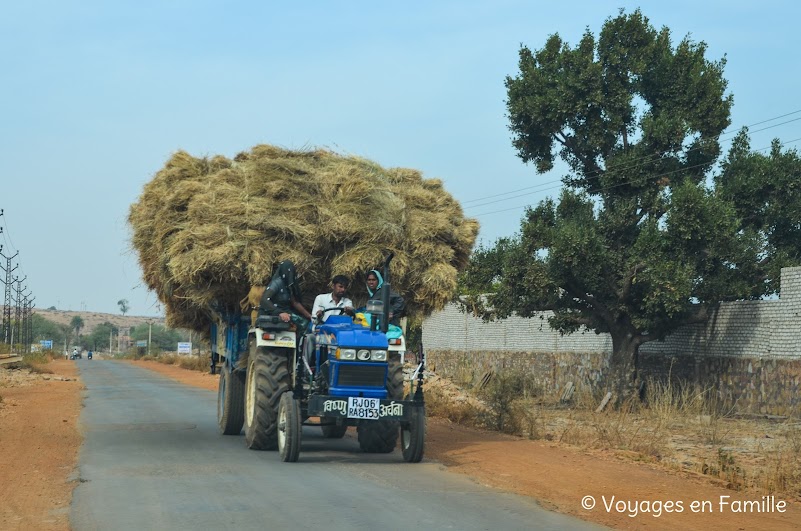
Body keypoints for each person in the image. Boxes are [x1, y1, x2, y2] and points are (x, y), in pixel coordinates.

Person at [259, 260, 313, 327]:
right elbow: (265, 300)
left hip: (287, 312)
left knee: (304, 323)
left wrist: (309, 316)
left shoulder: (289, 285)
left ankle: (300, 337)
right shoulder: (276, 283)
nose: (290, 274)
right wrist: (279, 312)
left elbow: (295, 302)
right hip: (273, 312)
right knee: (300, 323)